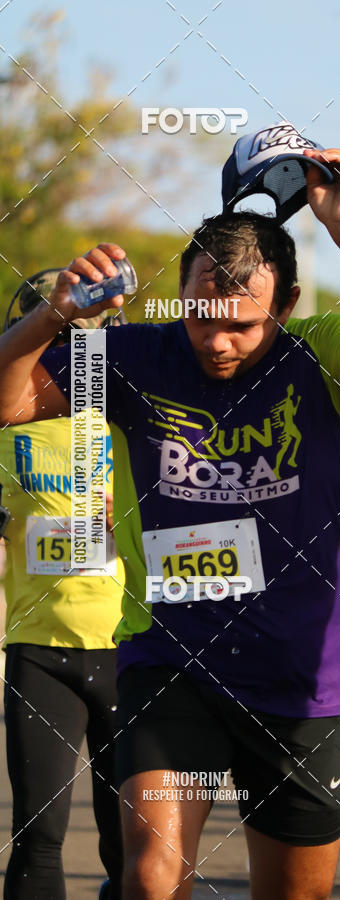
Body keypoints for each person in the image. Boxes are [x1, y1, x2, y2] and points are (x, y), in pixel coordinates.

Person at [0, 146, 340, 899]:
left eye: (242, 326)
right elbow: (9, 404)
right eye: (201, 318)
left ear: (289, 304)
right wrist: (53, 317)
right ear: (181, 293)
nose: (216, 341)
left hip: (301, 684)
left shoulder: (321, 360)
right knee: (150, 877)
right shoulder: (136, 357)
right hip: (172, 666)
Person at [0, 271, 124, 899]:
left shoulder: (135, 424)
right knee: (38, 840)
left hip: (133, 654)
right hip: (40, 653)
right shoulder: (6, 427)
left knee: (131, 847)